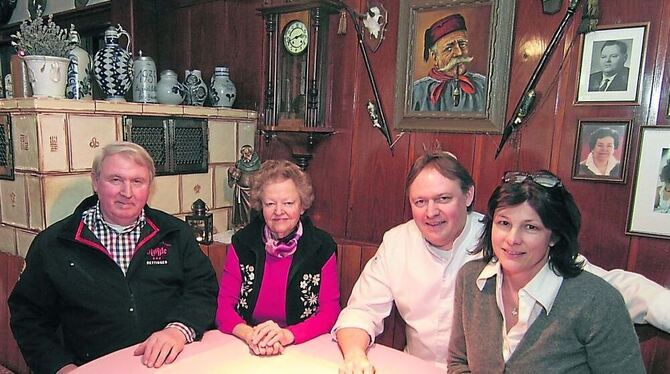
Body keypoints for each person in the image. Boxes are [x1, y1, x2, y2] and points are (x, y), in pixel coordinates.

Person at [333, 150, 669, 372]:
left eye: (443, 199)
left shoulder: (505, 237)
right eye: (420, 201)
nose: (431, 212)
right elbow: (362, 311)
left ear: (469, 196)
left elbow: (604, 287)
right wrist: (355, 356)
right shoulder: (398, 242)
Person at [8, 141, 219, 374]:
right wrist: (61, 367)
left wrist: (178, 330)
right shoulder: (54, 244)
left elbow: (203, 288)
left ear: (149, 186)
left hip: (172, 364)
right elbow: (28, 318)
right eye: (115, 180)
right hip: (91, 368)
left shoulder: (175, 233)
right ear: (96, 182)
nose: (127, 193)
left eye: (137, 181)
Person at [448, 171, 644, 373]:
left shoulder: (599, 301)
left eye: (531, 227)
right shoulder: (470, 278)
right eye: (504, 223)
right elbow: (458, 363)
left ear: (554, 236)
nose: (513, 239)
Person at [216, 159, 340, 356]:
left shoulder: (322, 247)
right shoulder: (242, 243)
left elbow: (330, 313)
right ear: (260, 206)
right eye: (270, 204)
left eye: (288, 203)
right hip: (247, 345)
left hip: (303, 346)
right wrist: (251, 336)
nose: (278, 211)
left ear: (302, 206)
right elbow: (223, 309)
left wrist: (287, 335)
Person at [411, 13, 487, 112]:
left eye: (462, 44)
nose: (459, 53)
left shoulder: (484, 85)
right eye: (449, 48)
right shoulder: (416, 91)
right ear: (435, 57)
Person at [228, 144, 261, 229]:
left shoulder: (258, 164)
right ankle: (241, 225)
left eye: (247, 154)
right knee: (239, 210)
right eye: (243, 154)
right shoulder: (239, 163)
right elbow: (234, 173)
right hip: (240, 190)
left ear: (251, 153)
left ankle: (251, 226)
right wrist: (232, 173)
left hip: (252, 191)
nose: (245, 156)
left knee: (251, 210)